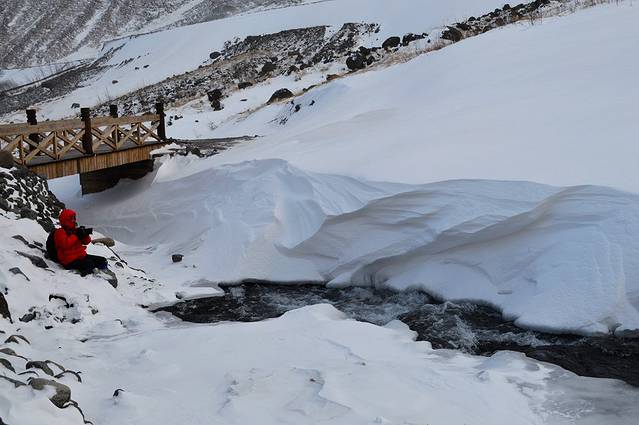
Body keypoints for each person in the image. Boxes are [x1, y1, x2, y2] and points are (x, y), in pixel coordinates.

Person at [54, 209, 108, 276]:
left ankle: (103, 273)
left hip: (80, 256)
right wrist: (76, 235)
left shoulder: (75, 231)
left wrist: (85, 235)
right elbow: (65, 244)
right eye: (72, 219)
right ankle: (92, 275)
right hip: (68, 260)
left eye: (74, 218)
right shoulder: (60, 232)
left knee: (102, 261)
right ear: (66, 220)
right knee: (89, 264)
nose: (74, 220)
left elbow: (87, 242)